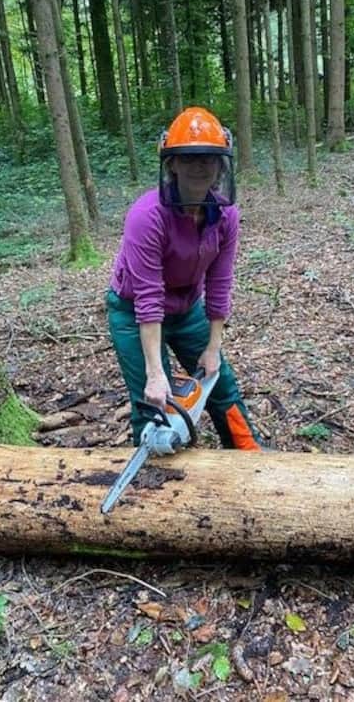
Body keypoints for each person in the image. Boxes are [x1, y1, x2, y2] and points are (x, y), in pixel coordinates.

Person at [107, 106, 263, 451]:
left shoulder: (225, 215)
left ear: (221, 166)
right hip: (134, 312)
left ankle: (251, 455)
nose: (199, 166)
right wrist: (155, 373)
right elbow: (148, 297)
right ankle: (154, 478)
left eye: (208, 159)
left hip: (187, 307)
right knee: (154, 401)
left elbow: (220, 281)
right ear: (172, 164)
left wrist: (213, 347)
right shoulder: (146, 217)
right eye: (188, 158)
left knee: (221, 386)